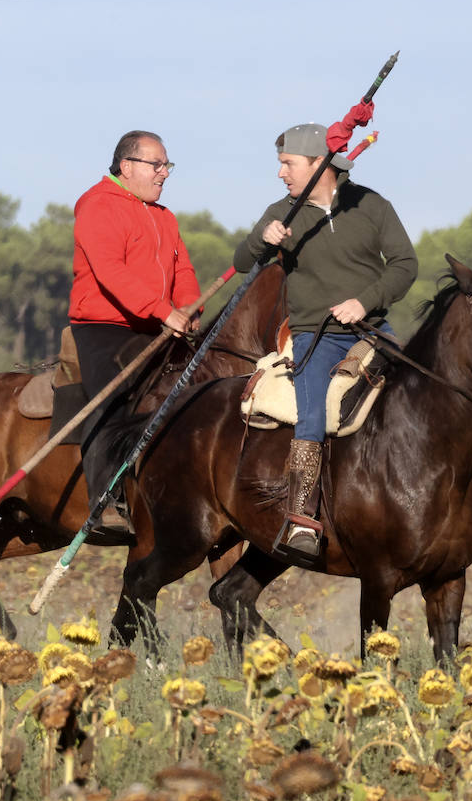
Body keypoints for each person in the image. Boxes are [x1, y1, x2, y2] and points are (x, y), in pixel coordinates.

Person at [232, 123, 417, 563]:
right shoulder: (283, 211)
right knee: (311, 415)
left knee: (430, 402)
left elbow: (405, 265)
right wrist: (264, 238)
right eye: (281, 165)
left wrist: (365, 301)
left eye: (288, 164)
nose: (281, 174)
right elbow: (242, 261)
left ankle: (463, 518)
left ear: (319, 165)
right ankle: (301, 520)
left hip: (374, 332)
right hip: (316, 338)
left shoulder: (373, 205)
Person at [70, 130, 201, 533]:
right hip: (104, 326)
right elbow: (112, 272)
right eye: (156, 164)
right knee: (112, 399)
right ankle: (103, 502)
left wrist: (191, 310)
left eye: (167, 166)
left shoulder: (165, 216)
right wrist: (164, 311)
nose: (164, 173)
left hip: (159, 326)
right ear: (127, 166)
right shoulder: (96, 205)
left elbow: (183, 269)